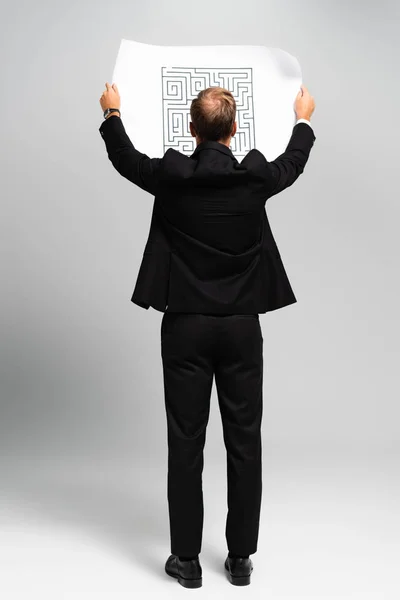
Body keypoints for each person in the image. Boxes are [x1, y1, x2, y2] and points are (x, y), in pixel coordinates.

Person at [99, 82, 316, 588]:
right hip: (242, 328)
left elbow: (126, 159)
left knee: (185, 443)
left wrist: (112, 113)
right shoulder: (255, 180)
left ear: (191, 130)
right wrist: (303, 118)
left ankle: (187, 562)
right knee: (245, 443)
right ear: (235, 131)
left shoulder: (171, 178)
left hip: (185, 328)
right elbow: (293, 162)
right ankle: (240, 559)